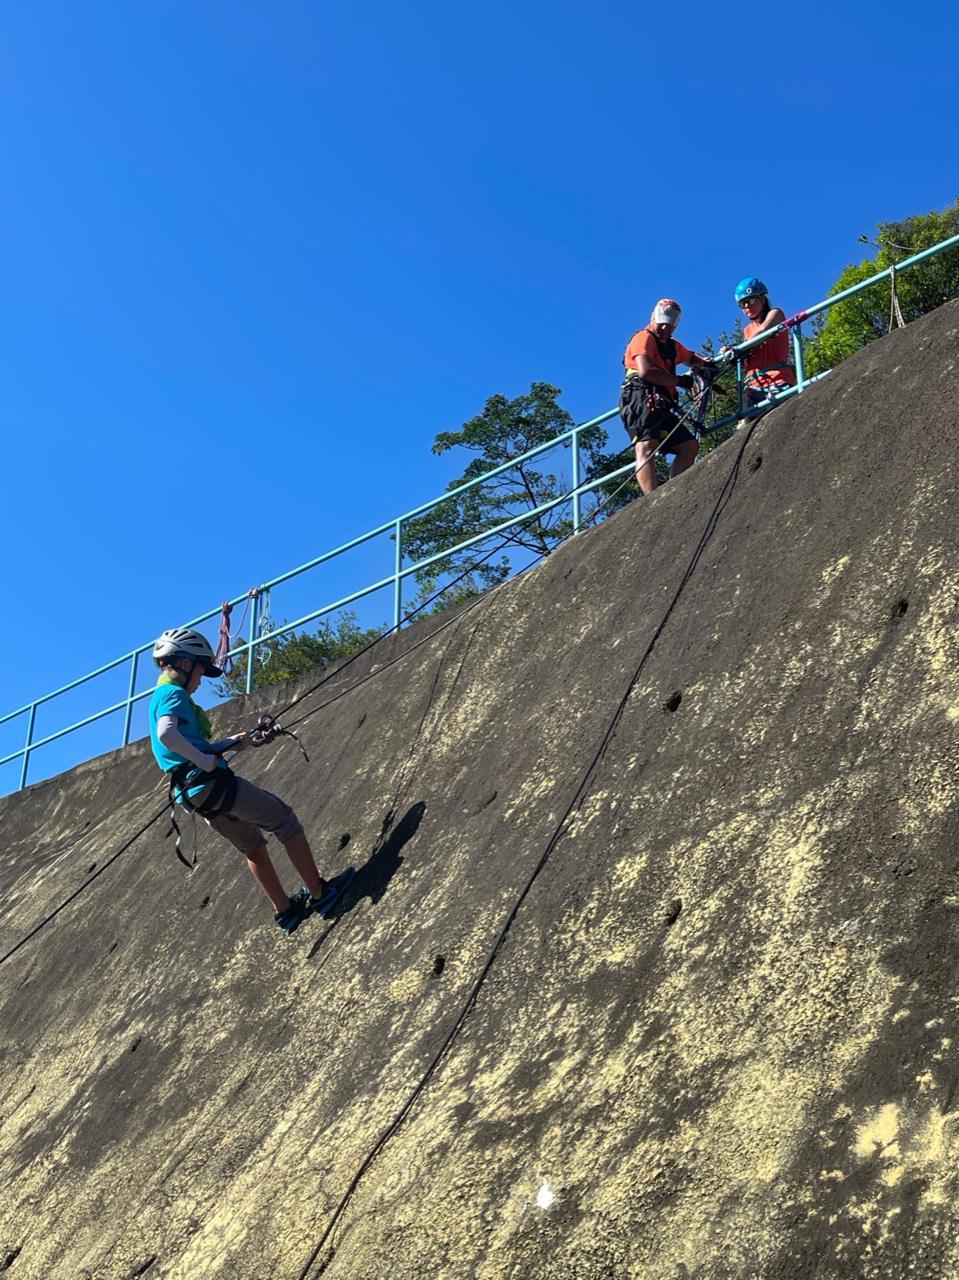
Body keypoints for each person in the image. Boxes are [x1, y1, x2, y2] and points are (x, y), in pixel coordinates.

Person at [148, 626, 353, 935]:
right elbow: (167, 734)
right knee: (284, 820)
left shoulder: (159, 696)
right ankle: (320, 894)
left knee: (252, 846)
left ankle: (285, 911)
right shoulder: (172, 693)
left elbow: (178, 744)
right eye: (200, 670)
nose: (201, 680)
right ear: (185, 663)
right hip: (213, 784)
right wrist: (205, 761)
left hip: (194, 796)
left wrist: (227, 743)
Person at [619, 299, 714, 495]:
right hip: (639, 395)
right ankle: (653, 500)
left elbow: (689, 357)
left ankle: (673, 493)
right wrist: (678, 381)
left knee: (689, 446)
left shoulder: (671, 346)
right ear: (653, 318)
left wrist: (706, 363)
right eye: (661, 325)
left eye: (669, 327)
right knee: (646, 446)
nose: (664, 329)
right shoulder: (643, 339)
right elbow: (645, 371)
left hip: (661, 400)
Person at [731, 277, 797, 417]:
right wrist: (731, 352)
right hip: (753, 386)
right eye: (742, 304)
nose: (747, 306)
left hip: (777, 379)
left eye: (751, 300)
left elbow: (763, 331)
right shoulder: (747, 330)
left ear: (763, 299)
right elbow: (747, 362)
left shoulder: (776, 313)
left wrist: (739, 349)